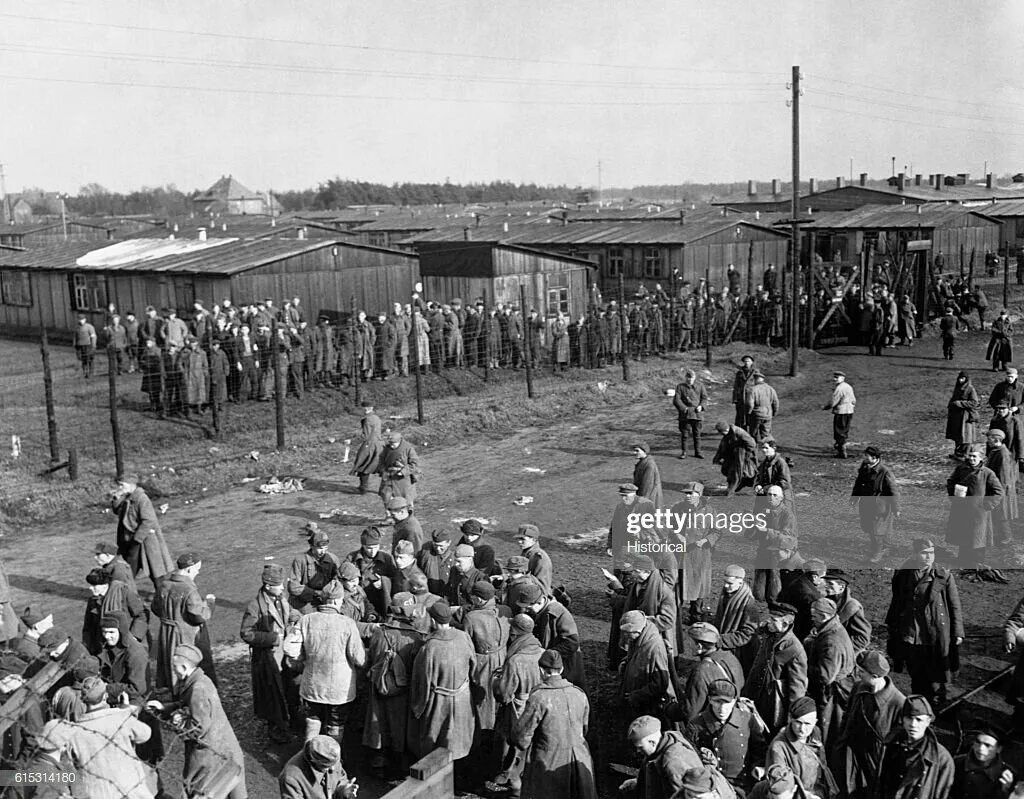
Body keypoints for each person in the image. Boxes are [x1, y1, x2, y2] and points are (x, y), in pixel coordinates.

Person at [147, 644, 247, 799]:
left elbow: (198, 728)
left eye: (175, 668)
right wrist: (165, 708)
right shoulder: (198, 680)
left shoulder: (198, 689)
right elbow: (185, 703)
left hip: (213, 754)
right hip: (223, 748)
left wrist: (177, 722)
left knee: (202, 791)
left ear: (185, 667)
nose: (173, 671)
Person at [885, 539, 963, 705]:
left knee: (939, 671)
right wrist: (893, 626)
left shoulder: (943, 575)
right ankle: (919, 701)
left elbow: (954, 605)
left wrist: (957, 632)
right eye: (924, 553)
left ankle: (939, 702)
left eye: (931, 553)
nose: (929, 557)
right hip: (912, 633)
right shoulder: (903, 574)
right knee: (916, 670)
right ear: (914, 554)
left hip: (935, 632)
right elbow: (897, 602)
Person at [512, 649, 598, 799]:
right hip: (579, 758)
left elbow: (521, 736)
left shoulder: (539, 697)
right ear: (562, 669)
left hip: (549, 759)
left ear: (541, 670)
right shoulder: (579, 694)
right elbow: (585, 727)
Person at [363, 592, 424, 776]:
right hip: (403, 689)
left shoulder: (379, 632)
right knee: (400, 725)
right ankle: (399, 763)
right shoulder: (415, 637)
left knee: (378, 722)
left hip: (380, 684)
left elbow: (372, 657)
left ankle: (378, 759)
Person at [832, 650, 907, 799]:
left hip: (876, 762)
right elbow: (848, 715)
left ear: (875, 676)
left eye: (862, 671)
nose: (858, 674)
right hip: (852, 754)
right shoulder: (859, 687)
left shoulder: (899, 703)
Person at [67, 676, 156, 799]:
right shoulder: (120, 718)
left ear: (82, 699)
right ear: (105, 696)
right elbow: (145, 734)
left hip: (98, 793)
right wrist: (126, 712)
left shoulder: (74, 732)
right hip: (130, 790)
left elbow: (70, 763)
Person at [240, 563, 300, 743]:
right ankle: (277, 728)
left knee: (290, 686)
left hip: (284, 654)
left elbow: (289, 612)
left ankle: (294, 719)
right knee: (272, 693)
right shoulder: (255, 607)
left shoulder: (280, 597)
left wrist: (297, 617)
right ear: (267, 586)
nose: (283, 587)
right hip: (267, 657)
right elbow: (246, 633)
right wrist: (272, 638)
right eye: (278, 584)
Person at [410, 602, 476, 763]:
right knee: (460, 739)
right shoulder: (463, 637)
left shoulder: (429, 647)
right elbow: (474, 666)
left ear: (433, 621)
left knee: (436, 739)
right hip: (462, 698)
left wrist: (417, 706)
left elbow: (421, 681)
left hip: (439, 701)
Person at [491, 613, 544, 798]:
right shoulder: (542, 651)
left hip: (516, 706)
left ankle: (510, 777)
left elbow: (503, 693)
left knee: (509, 741)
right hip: (537, 704)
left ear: (515, 633)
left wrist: (496, 678)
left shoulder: (516, 660)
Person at [684, 679, 765, 793]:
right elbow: (690, 759)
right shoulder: (696, 725)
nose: (722, 708)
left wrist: (757, 767)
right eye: (717, 702)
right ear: (709, 700)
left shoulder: (747, 720)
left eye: (727, 703)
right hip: (713, 786)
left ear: (734, 701)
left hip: (744, 785)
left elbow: (759, 750)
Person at [152, 552, 216, 689]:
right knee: (187, 663)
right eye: (197, 570)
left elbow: (155, 608)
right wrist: (209, 604)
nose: (197, 573)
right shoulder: (189, 589)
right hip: (184, 634)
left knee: (170, 664)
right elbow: (198, 617)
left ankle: (171, 692)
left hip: (166, 633)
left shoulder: (164, 584)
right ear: (189, 569)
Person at [743, 603, 808, 734]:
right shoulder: (770, 634)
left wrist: (791, 718)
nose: (768, 621)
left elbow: (797, 688)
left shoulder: (795, 649)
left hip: (771, 705)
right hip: (755, 694)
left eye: (774, 620)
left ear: (786, 624)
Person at [665, 623, 744, 725]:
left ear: (699, 646)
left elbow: (690, 711)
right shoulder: (730, 657)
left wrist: (668, 708)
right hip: (732, 718)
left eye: (690, 642)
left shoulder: (701, 672)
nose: (688, 645)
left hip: (711, 726)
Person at [877, 695, 954, 799]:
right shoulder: (891, 745)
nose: (913, 724)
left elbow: (942, 794)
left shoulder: (941, 758)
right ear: (902, 720)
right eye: (909, 718)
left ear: (928, 722)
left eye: (919, 720)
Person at [803, 597, 856, 748]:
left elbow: (825, 676)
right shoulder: (832, 628)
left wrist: (802, 666)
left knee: (828, 730)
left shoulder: (831, 640)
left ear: (825, 616)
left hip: (833, 693)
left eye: (814, 616)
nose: (812, 619)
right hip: (838, 686)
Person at [616, 714, 704, 799]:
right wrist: (637, 783)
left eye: (640, 747)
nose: (638, 751)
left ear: (652, 742)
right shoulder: (660, 748)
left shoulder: (673, 762)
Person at [110, 478, 174, 593]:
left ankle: (164, 597)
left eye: (122, 485)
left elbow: (148, 521)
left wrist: (137, 539)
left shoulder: (142, 499)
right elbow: (117, 511)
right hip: (130, 542)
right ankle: (125, 597)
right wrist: (116, 497)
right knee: (128, 572)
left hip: (144, 542)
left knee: (156, 574)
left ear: (131, 484)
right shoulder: (127, 497)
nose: (120, 488)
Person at [766, 696, 837, 799]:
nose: (802, 729)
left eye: (807, 724)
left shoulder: (815, 732)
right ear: (791, 719)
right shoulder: (778, 747)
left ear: (815, 722)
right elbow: (780, 787)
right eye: (798, 722)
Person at [517, 582, 585, 688]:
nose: (526, 610)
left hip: (563, 665)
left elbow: (572, 643)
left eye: (529, 606)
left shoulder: (559, 614)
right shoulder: (537, 611)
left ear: (541, 601)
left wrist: (548, 655)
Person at [946, 445, 1004, 568]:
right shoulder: (961, 469)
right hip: (962, 509)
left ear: (981, 458)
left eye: (974, 457)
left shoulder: (987, 473)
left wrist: (987, 505)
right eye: (970, 456)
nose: (972, 459)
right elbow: (951, 481)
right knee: (963, 534)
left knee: (978, 537)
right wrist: (953, 495)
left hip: (978, 512)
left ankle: (977, 563)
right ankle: (962, 559)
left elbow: (998, 491)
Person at [669, 481, 717, 624]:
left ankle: (695, 616)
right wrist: (677, 535)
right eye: (686, 493)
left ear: (699, 495)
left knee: (699, 586)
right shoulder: (677, 509)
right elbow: (668, 527)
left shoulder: (710, 511)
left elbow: (717, 531)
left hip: (700, 555)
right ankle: (674, 614)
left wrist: (706, 540)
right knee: (678, 584)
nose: (688, 496)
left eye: (691, 493)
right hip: (680, 555)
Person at [617, 611, 676, 720]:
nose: (625, 636)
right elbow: (636, 656)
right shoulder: (638, 638)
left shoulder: (655, 648)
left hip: (646, 707)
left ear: (637, 630)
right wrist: (626, 662)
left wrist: (637, 696)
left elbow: (660, 684)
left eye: (627, 632)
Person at [851, 446, 901, 564]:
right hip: (866, 505)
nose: (864, 458)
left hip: (879, 507)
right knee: (868, 527)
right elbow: (858, 484)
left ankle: (878, 552)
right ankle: (883, 548)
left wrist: (896, 508)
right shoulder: (865, 467)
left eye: (867, 456)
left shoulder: (885, 472)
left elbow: (893, 491)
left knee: (876, 530)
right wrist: (854, 497)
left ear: (874, 458)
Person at [712, 565, 761, 675]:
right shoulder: (726, 594)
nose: (725, 586)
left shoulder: (749, 604)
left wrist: (719, 640)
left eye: (730, 583)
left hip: (742, 654)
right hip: (726, 648)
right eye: (725, 582)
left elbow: (748, 634)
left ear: (740, 582)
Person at [279, 735, 359, 799]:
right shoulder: (291, 778)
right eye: (326, 766)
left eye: (335, 764)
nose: (333, 769)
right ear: (313, 761)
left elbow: (340, 778)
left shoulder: (330, 754)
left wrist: (343, 789)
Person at [952, 726, 1016, 799]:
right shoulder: (957, 762)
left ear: (999, 749)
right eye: (978, 742)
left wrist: (1005, 790)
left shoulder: (1007, 776)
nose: (980, 748)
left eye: (987, 745)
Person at [288, 526, 341, 615]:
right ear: (312, 546)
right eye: (320, 548)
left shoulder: (333, 559)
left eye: (325, 548)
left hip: (326, 599)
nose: (323, 551)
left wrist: (329, 593)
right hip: (304, 600)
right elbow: (293, 586)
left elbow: (338, 581)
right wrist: (315, 593)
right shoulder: (300, 560)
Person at [822, 569, 871, 655]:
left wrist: (841, 650)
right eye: (826, 583)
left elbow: (862, 639)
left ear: (841, 587)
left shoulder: (853, 607)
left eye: (830, 584)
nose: (826, 586)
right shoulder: (826, 602)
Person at [777, 559, 826, 642]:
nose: (823, 581)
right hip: (799, 630)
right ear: (814, 577)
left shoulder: (798, 581)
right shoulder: (811, 595)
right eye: (823, 577)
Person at [985, 428, 1019, 547]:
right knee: (998, 514)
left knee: (1002, 515)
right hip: (998, 489)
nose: (987, 441)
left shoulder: (1002, 454)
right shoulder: (996, 450)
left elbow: (1003, 477)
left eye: (989, 439)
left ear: (996, 439)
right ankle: (1001, 535)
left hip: (1001, 491)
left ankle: (1006, 537)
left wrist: (997, 492)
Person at [377, 431, 420, 511]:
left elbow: (414, 463)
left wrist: (403, 472)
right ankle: (389, 517)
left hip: (403, 479)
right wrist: (382, 470)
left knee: (405, 498)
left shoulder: (408, 448)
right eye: (390, 443)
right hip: (388, 476)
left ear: (399, 441)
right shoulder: (386, 449)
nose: (391, 445)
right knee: (386, 496)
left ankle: (408, 516)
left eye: (394, 443)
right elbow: (381, 460)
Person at [713, 422, 757, 495]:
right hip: (732, 455)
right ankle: (738, 485)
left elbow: (752, 444)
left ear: (726, 430)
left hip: (741, 456)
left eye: (721, 432)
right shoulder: (727, 435)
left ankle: (730, 491)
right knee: (726, 469)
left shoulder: (739, 432)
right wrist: (717, 457)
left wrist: (745, 454)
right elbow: (722, 446)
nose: (720, 434)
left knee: (736, 474)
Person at [674, 368, 708, 459]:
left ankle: (698, 452)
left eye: (691, 377)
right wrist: (683, 408)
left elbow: (704, 398)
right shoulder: (680, 387)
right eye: (688, 377)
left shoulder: (700, 386)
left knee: (697, 434)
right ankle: (684, 452)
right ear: (685, 378)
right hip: (685, 414)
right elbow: (677, 400)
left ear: (694, 378)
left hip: (697, 414)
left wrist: (701, 406)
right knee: (684, 434)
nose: (689, 379)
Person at [946, 371, 980, 460]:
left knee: (966, 436)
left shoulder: (970, 389)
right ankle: (957, 453)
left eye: (963, 379)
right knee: (957, 435)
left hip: (966, 416)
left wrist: (960, 403)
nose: (961, 380)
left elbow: (974, 402)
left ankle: (965, 454)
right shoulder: (957, 387)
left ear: (966, 379)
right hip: (956, 415)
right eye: (960, 378)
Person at [824, 371, 856, 459]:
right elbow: (854, 400)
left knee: (839, 432)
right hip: (849, 412)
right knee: (845, 430)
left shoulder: (839, 388)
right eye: (834, 377)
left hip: (841, 412)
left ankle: (842, 451)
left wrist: (825, 407)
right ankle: (841, 449)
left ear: (842, 378)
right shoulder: (848, 386)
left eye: (836, 377)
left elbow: (833, 402)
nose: (834, 379)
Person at [351, 404, 383, 494]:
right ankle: (386, 488)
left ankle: (363, 488)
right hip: (379, 444)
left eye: (362, 408)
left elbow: (366, 435)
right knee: (380, 466)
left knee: (363, 465)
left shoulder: (367, 419)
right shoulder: (376, 417)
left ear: (365, 408)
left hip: (369, 445)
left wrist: (352, 441)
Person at [515, 524, 552, 597]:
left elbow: (543, 587)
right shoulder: (526, 553)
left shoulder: (540, 558)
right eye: (518, 538)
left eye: (523, 539)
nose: (519, 541)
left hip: (534, 598)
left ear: (534, 540)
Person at [746, 371, 780, 444]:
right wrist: (774, 413)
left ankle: (754, 449)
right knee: (766, 435)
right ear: (763, 379)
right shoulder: (771, 389)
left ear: (755, 380)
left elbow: (750, 405)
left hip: (756, 415)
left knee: (753, 434)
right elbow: (776, 402)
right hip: (768, 415)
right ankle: (769, 450)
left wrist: (748, 413)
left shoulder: (752, 389)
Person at [631, 442, 663, 507]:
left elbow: (647, 486)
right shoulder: (643, 462)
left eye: (637, 451)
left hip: (649, 497)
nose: (634, 453)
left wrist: (642, 501)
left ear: (644, 451)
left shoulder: (649, 465)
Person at [732, 355, 757, 430]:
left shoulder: (755, 372)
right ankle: (741, 429)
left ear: (752, 362)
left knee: (751, 413)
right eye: (745, 361)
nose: (746, 363)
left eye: (748, 361)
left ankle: (752, 430)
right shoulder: (739, 372)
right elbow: (736, 385)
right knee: (740, 414)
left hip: (752, 395)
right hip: (741, 396)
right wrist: (735, 398)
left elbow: (759, 384)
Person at [73, 314, 98, 378]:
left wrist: (94, 345)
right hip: (80, 346)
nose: (81, 321)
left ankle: (91, 373)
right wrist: (75, 345)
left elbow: (93, 336)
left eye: (82, 320)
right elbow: (75, 337)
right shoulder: (77, 328)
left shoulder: (89, 327)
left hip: (88, 345)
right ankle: (85, 372)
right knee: (83, 360)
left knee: (89, 359)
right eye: (80, 320)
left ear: (85, 320)